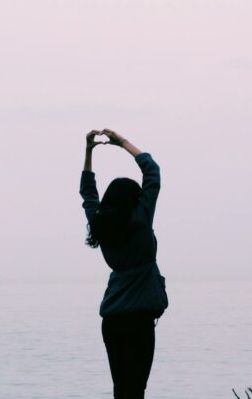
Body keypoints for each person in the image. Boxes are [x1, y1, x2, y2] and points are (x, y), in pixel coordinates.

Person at [79, 128, 168, 399]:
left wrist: (88, 150)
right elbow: (152, 172)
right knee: (136, 391)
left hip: (113, 321)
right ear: (134, 200)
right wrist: (123, 143)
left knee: (121, 391)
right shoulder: (140, 220)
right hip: (139, 320)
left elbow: (88, 194)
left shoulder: (101, 224)